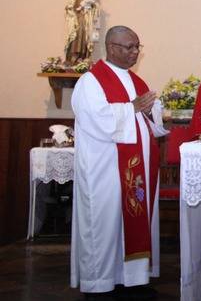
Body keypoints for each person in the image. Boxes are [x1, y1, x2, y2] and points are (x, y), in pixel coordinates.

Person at [71, 26, 169, 299]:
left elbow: (151, 120)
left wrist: (151, 110)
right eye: (130, 47)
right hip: (104, 168)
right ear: (111, 47)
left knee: (132, 220)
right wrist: (132, 108)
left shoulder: (136, 81)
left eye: (138, 46)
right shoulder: (90, 81)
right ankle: (100, 282)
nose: (135, 52)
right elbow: (95, 118)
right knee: (104, 223)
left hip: (136, 166)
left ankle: (133, 279)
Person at [65, 0, 100, 64]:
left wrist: (91, 8)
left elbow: (94, 6)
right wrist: (70, 9)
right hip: (76, 17)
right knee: (76, 33)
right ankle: (73, 55)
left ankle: (83, 55)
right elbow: (70, 5)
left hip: (86, 18)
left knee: (85, 34)